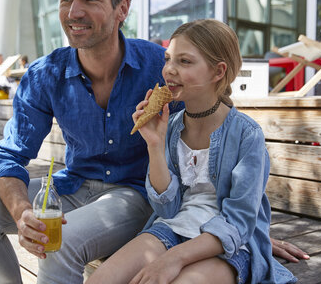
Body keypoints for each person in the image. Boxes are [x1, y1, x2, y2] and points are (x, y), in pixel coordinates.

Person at [0, 0, 306, 283]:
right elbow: (10, 156)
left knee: (61, 244)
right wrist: (22, 211)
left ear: (122, 8)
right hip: (72, 187)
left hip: (134, 197)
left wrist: (245, 233)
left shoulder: (161, 69)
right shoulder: (45, 75)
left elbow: (217, 149)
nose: (73, 11)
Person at [87, 19, 297, 284]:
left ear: (218, 71)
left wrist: (172, 259)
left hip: (228, 246)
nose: (169, 70)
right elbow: (168, 209)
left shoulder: (246, 134)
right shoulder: (171, 127)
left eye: (184, 62)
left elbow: (239, 223)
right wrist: (154, 144)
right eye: (168, 59)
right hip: (174, 228)